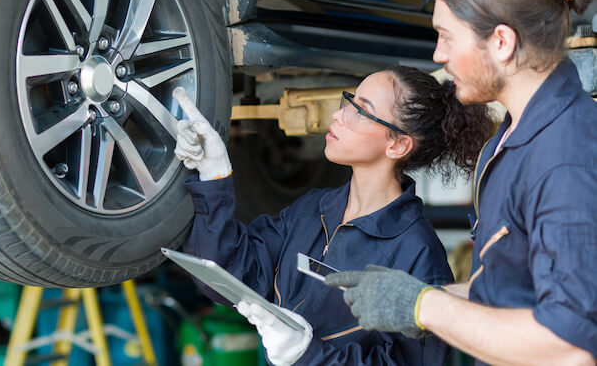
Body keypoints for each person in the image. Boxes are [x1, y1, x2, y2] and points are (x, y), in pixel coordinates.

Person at [325, 0, 597, 365]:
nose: (438, 54)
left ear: (502, 42)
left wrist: (423, 307)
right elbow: (510, 291)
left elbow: (568, 348)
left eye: (447, 37)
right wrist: (420, 295)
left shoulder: (565, 158)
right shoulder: (509, 140)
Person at [170, 63, 495, 365]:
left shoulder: (418, 254)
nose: (339, 116)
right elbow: (230, 276)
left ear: (397, 145)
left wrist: (307, 354)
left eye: (361, 111)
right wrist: (213, 175)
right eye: (349, 101)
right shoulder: (312, 210)